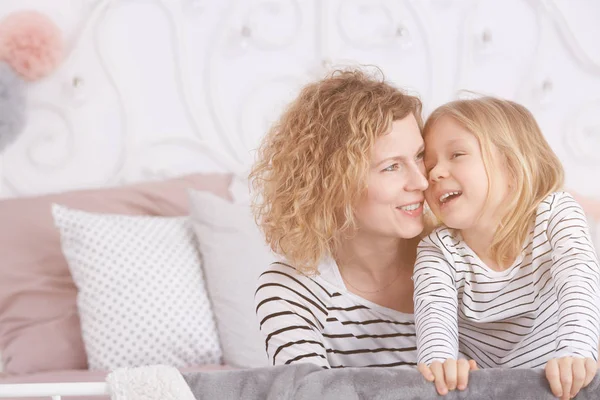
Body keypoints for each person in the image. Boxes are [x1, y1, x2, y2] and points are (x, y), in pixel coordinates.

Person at [250, 68, 478, 373]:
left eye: (419, 156)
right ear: (333, 184)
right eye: (392, 167)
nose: (421, 182)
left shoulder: (461, 254)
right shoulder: (292, 290)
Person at [413, 97, 600, 399]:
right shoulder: (438, 250)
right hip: (483, 388)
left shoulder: (555, 212)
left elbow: (578, 279)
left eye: (457, 154)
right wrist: (442, 363)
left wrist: (577, 351)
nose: (434, 174)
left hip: (557, 381)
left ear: (512, 166)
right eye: (430, 165)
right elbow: (434, 315)